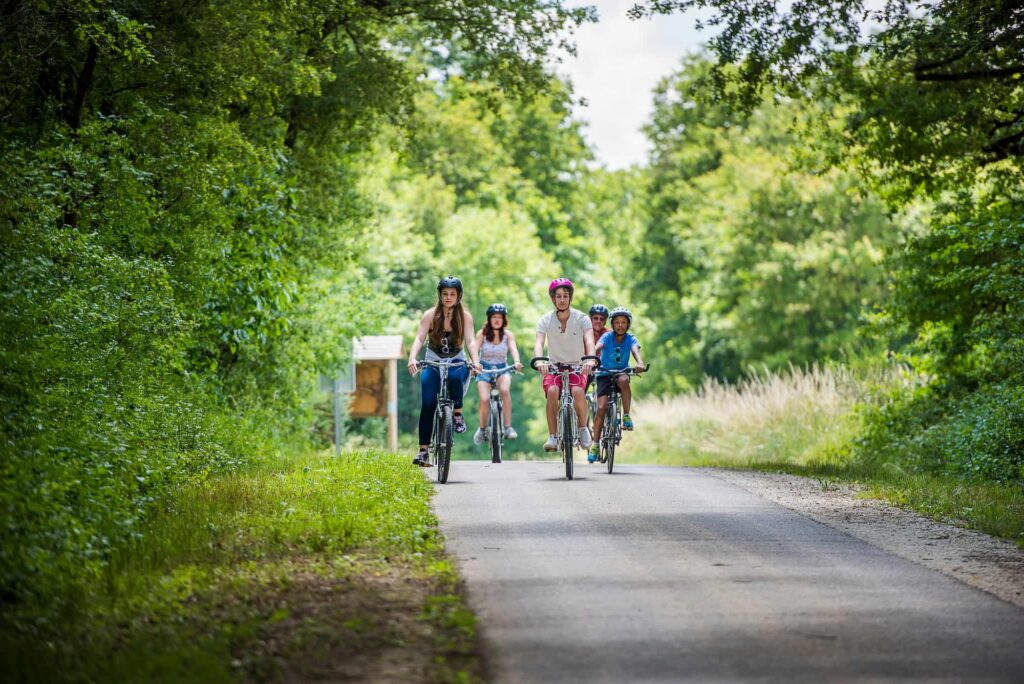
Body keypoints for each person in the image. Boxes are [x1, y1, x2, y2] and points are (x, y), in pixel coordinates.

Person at [407, 275, 482, 467]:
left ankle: (457, 413)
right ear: (439, 295)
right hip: (433, 360)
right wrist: (412, 358)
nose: (448, 297)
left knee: (457, 377)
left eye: (452, 294)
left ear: (459, 296)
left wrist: (475, 362)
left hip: (457, 359)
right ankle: (423, 451)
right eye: (445, 294)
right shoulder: (430, 315)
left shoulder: (465, 317)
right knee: (428, 402)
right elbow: (419, 338)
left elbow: (471, 341)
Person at [534, 278, 597, 452]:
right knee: (553, 392)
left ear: (570, 298)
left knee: (577, 392)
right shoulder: (545, 320)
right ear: (553, 299)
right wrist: (540, 360)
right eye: (558, 296)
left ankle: (583, 429)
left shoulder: (582, 318)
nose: (562, 299)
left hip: (577, 365)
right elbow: (539, 343)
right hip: (554, 367)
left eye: (565, 296)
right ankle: (553, 436)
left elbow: (589, 339)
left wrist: (590, 359)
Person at [589, 306, 646, 463]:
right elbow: (597, 347)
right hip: (604, 374)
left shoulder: (630, 339)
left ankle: (626, 415)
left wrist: (640, 363)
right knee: (601, 408)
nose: (620, 325)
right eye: (617, 322)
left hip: (621, 372)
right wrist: (591, 358)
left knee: (623, 380)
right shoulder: (607, 337)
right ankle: (595, 445)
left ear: (628, 324)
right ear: (612, 324)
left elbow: (635, 351)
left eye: (623, 322)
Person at [473, 304, 524, 444]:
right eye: (494, 317)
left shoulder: (508, 335)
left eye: (499, 317)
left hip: (502, 368)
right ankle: (482, 429)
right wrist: (475, 364)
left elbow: (513, 350)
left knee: (504, 390)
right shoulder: (482, 333)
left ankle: (507, 428)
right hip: (484, 369)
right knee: (484, 399)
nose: (496, 320)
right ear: (489, 319)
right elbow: (475, 350)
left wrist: (517, 362)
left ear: (504, 320)